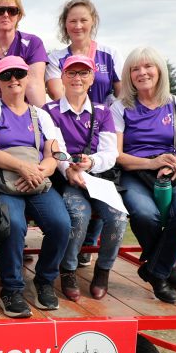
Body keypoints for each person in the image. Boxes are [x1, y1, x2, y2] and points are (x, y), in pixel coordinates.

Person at [0, 56, 71, 318]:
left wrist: (42, 170)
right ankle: (11, 288)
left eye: (18, 74)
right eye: (6, 76)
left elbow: (53, 153)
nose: (13, 80)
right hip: (7, 182)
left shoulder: (40, 115)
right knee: (14, 225)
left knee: (61, 223)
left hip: (37, 180)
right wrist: (22, 168)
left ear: (27, 77)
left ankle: (44, 280)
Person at [111, 46, 176, 304]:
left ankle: (155, 271)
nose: (142, 72)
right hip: (135, 171)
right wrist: (152, 163)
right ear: (129, 75)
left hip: (173, 172)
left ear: (159, 70)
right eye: (135, 68)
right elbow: (118, 156)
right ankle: (167, 268)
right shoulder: (120, 108)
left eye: (148, 66)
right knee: (143, 214)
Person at [46, 0, 124, 267]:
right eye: (72, 20)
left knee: (110, 209)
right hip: (70, 124)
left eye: (83, 20)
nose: (78, 25)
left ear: (93, 22)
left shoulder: (109, 53)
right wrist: (74, 105)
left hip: (100, 125)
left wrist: (104, 115)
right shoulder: (57, 57)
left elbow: (121, 93)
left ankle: (90, 252)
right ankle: (71, 263)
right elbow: (60, 93)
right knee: (78, 208)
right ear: (65, 25)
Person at [43, 55, 127, 301]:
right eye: (71, 73)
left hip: (97, 178)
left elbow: (111, 152)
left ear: (91, 78)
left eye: (83, 73)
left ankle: (103, 270)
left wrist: (92, 162)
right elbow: (55, 147)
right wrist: (70, 168)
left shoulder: (102, 112)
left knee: (118, 217)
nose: (77, 78)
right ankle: (68, 269)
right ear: (63, 77)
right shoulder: (50, 111)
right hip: (66, 178)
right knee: (79, 215)